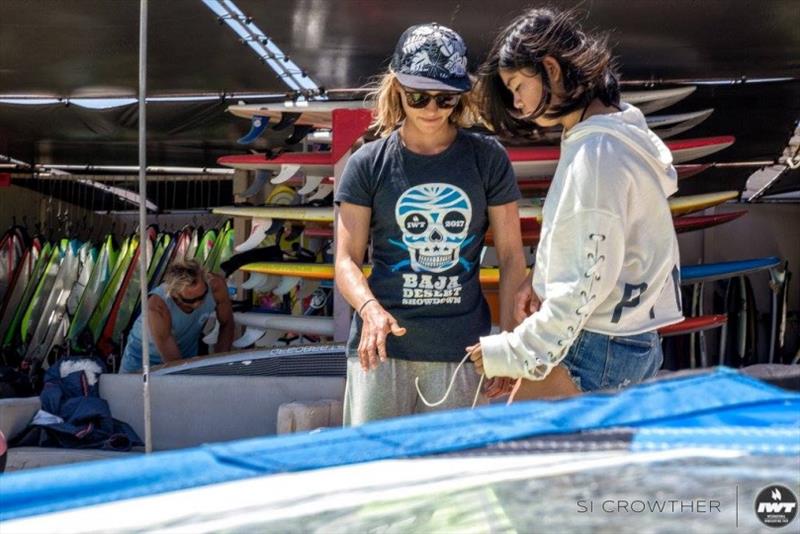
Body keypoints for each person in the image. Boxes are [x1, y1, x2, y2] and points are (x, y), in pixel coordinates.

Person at [469, 8, 684, 392]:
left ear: (550, 69)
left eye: (518, 85)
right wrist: (541, 277)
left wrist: (514, 350)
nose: (516, 103)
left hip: (593, 346)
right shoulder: (615, 133)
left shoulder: (597, 153)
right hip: (628, 341)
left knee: (523, 450)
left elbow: (584, 287)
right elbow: (599, 255)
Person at [334, 23, 529, 425]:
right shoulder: (367, 163)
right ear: (397, 89)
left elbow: (512, 257)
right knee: (376, 477)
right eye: (418, 96)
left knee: (455, 481)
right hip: (381, 352)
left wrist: (511, 344)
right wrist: (369, 309)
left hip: (463, 353)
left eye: (445, 99)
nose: (431, 109)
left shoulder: (487, 158)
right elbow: (345, 261)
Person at [119, 259, 234, 373]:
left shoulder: (216, 286)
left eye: (202, 296)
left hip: (186, 356)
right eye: (190, 300)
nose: (198, 303)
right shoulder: (157, 308)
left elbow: (227, 323)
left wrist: (220, 365)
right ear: (173, 293)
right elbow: (176, 366)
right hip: (140, 364)